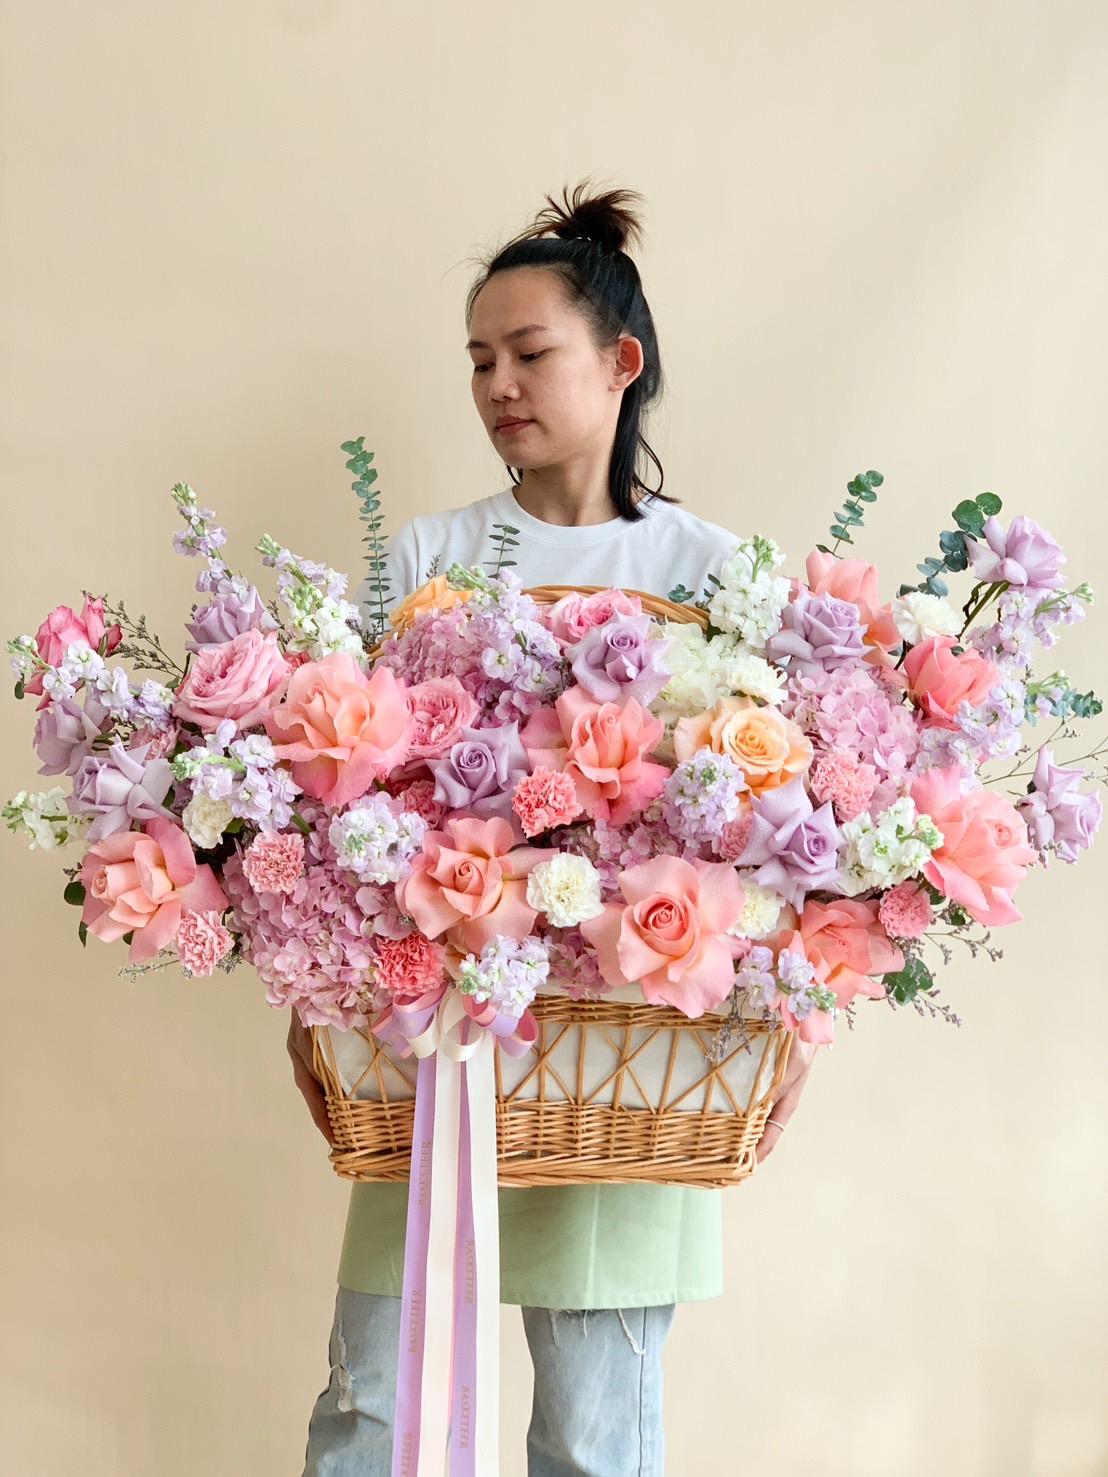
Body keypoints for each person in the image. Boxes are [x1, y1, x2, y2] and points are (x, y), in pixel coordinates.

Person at [291, 178, 818, 1476]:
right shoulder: (430, 557)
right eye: (479, 360)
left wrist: (789, 1008)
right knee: (374, 1406)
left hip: (630, 1052)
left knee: (595, 1428)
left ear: (619, 362)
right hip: (447, 1049)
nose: (497, 385)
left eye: (530, 353)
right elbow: (351, 804)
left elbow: (773, 823)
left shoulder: (715, 571)